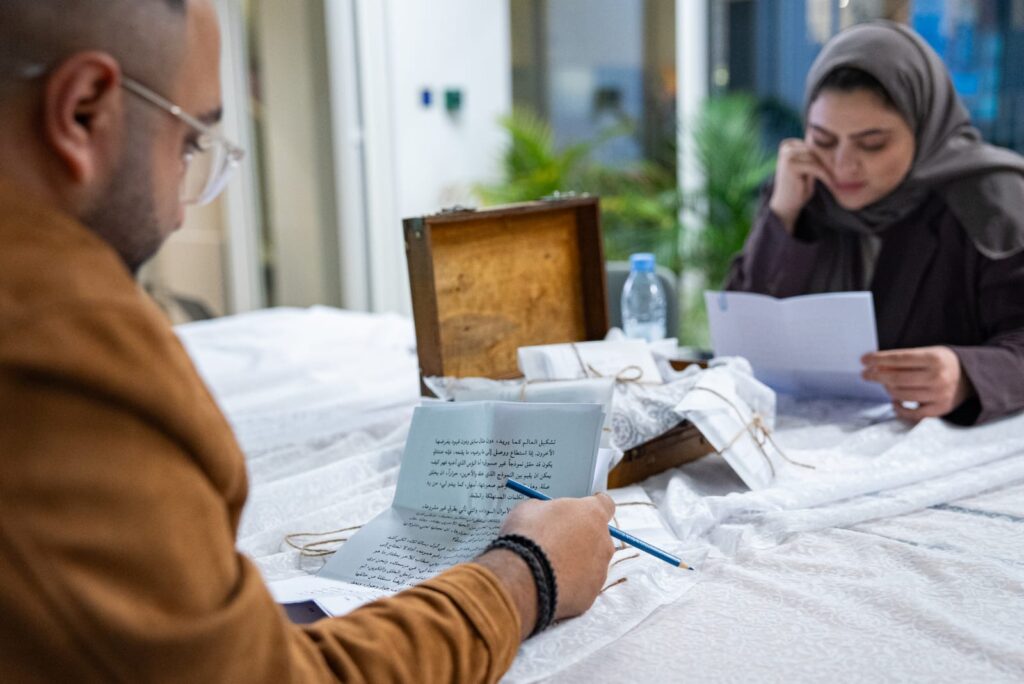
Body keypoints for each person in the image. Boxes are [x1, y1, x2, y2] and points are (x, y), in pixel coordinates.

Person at [0, 1, 616, 681]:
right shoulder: (59, 345)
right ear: (83, 111)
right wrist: (527, 574)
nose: (180, 212)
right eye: (188, 144)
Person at [726, 20, 1024, 426]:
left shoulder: (992, 198)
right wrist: (782, 216)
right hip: (813, 441)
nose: (843, 164)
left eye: (872, 144)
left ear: (924, 128)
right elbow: (741, 342)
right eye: (823, 140)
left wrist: (967, 375)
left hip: (951, 446)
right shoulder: (804, 190)